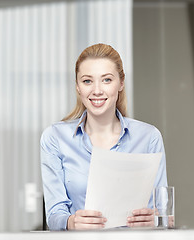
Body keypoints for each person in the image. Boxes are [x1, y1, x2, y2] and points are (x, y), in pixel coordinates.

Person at [40, 43, 167, 230]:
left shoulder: (149, 137)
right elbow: (54, 215)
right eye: (87, 81)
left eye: (107, 80)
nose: (97, 90)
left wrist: (157, 220)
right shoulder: (55, 138)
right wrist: (71, 222)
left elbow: (162, 212)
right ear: (77, 86)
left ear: (121, 83)